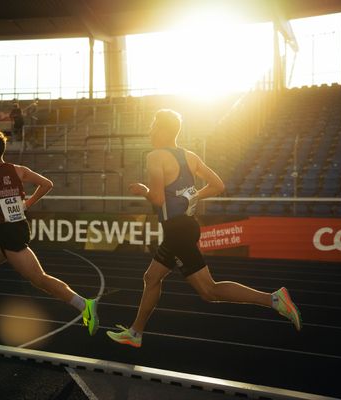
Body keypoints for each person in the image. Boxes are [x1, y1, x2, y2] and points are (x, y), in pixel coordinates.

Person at [106, 109, 302, 348]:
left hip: (177, 230)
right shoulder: (190, 156)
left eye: (154, 125)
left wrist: (144, 190)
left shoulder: (155, 156)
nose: (151, 130)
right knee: (151, 277)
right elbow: (218, 185)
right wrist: (192, 196)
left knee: (209, 291)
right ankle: (135, 332)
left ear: (164, 130)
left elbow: (157, 199)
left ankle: (273, 299)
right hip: (184, 228)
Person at [0, 129, 99, 335]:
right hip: (16, 228)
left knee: (39, 279)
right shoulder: (18, 169)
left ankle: (84, 305)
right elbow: (47, 184)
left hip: (9, 233)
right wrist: (27, 203)